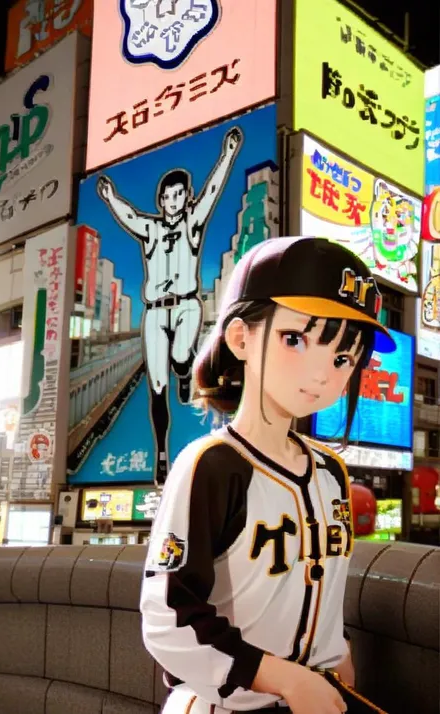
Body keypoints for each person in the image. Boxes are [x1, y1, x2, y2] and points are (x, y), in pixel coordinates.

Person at [140, 236, 394, 714]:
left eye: (343, 357)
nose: (323, 373)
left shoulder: (331, 472)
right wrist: (288, 680)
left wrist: (337, 656)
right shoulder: (213, 464)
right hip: (226, 705)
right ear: (240, 338)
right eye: (296, 339)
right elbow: (167, 615)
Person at [97, 127, 242, 484]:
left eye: (180, 194)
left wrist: (227, 154)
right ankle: (161, 451)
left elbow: (211, 192)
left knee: (181, 357)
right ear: (162, 201)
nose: (175, 200)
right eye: (169, 196)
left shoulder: (193, 223)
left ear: (186, 197)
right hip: (155, 311)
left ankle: (184, 369)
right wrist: (110, 196)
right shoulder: (151, 229)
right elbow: (129, 216)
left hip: (187, 305)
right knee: (156, 384)